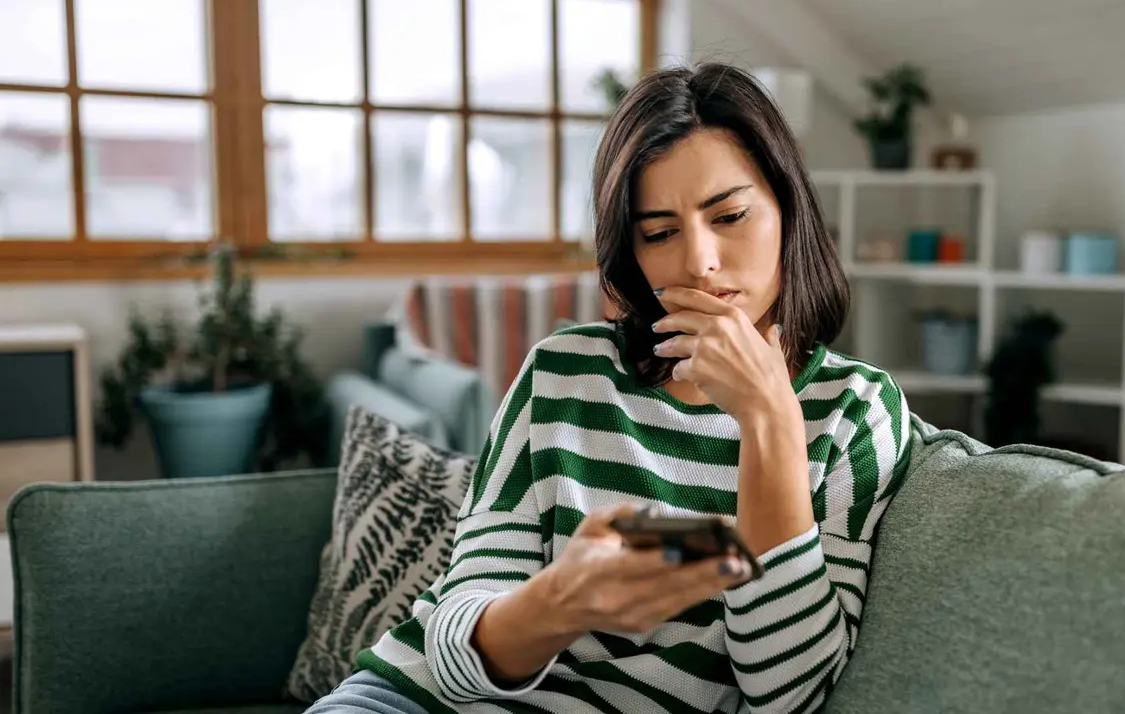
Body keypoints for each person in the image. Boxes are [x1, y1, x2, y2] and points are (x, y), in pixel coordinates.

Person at [308, 61, 911, 714]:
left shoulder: (856, 413)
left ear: (789, 210)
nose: (699, 260)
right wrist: (561, 602)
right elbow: (454, 658)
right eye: (659, 232)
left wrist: (771, 422)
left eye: (730, 215)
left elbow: (788, 695)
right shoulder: (563, 373)